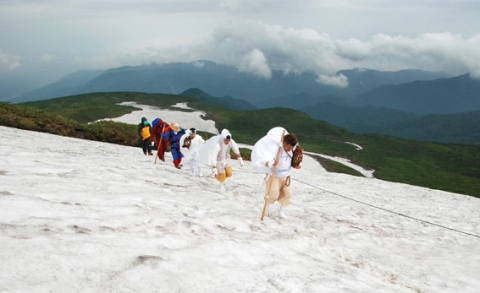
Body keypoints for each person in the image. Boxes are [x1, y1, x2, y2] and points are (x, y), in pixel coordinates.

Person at [251, 127, 302, 220]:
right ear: (284, 143)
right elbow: (264, 160)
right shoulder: (276, 148)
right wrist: (271, 163)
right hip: (275, 175)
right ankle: (267, 209)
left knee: (287, 194)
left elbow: (296, 157)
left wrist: (298, 165)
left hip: (286, 176)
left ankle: (281, 212)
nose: (290, 149)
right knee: (273, 194)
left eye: (292, 147)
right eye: (289, 147)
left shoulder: (293, 149)